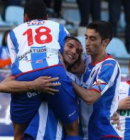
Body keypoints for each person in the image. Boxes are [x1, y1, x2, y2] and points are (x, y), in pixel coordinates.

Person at [7, 0, 80, 140]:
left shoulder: (13, 33)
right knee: (72, 128)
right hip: (54, 73)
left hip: (27, 76)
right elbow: (66, 52)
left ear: (25, 17)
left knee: (18, 131)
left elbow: (15, 65)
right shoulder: (58, 27)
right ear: (47, 17)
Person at [72, 20, 122, 139]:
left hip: (104, 134)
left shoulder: (109, 66)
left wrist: (65, 78)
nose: (87, 43)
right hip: (87, 134)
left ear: (105, 42)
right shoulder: (85, 61)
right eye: (86, 37)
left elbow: (90, 97)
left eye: (93, 39)